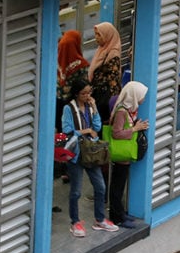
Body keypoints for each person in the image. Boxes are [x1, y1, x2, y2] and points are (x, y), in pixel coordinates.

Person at [61, 78, 116, 237]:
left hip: (91, 152)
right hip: (77, 153)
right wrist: (86, 131)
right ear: (77, 94)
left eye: (89, 93)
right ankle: (75, 222)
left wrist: (95, 108)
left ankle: (99, 219)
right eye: (84, 93)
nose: (87, 96)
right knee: (76, 191)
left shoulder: (91, 107)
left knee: (100, 187)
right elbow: (67, 130)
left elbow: (97, 127)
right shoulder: (68, 108)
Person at [107, 81, 150, 228]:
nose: (144, 98)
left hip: (125, 159)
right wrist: (135, 129)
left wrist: (137, 125)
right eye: (142, 95)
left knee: (120, 186)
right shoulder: (121, 112)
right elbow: (116, 133)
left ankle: (120, 212)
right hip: (120, 158)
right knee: (116, 189)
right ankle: (116, 217)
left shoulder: (129, 111)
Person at [88, 22, 123, 124]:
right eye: (96, 34)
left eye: (99, 35)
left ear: (107, 35)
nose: (96, 37)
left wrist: (112, 105)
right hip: (98, 95)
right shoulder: (102, 50)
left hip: (104, 100)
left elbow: (114, 81)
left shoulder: (113, 54)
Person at [57, 30, 89, 133]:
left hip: (58, 102)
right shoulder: (81, 65)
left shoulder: (57, 62)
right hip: (75, 106)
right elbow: (84, 86)